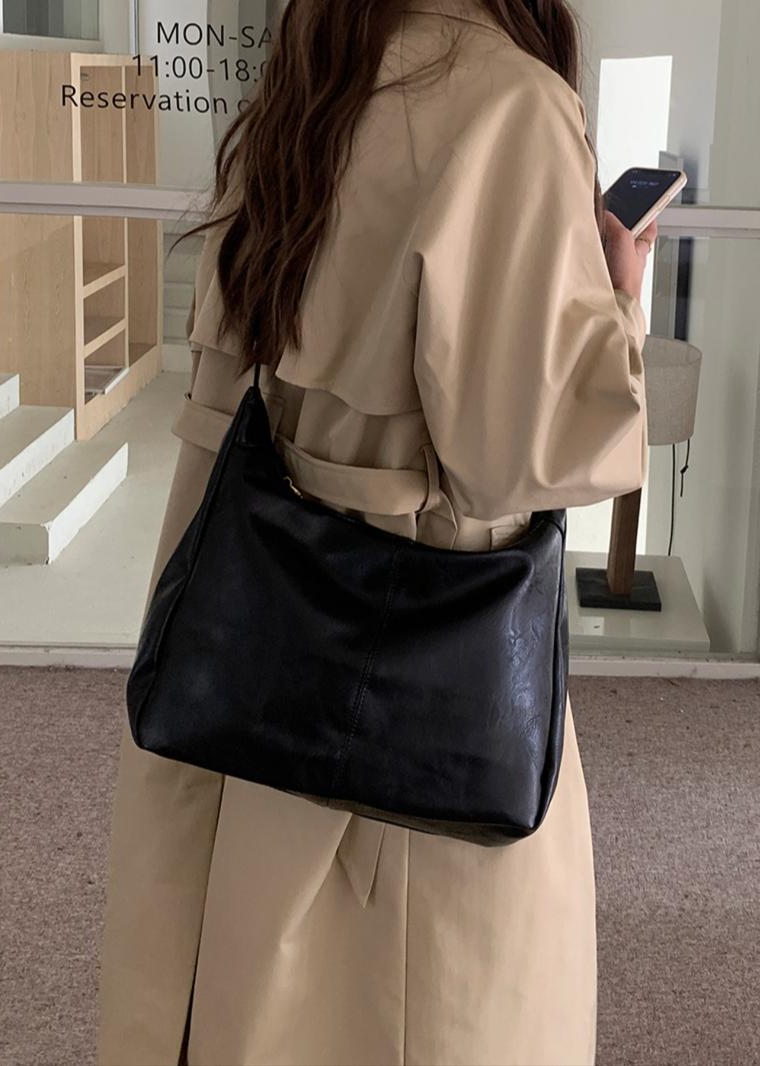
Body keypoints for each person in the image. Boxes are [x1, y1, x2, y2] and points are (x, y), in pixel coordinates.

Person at [97, 1, 656, 1063]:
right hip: (425, 680)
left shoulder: (315, 73)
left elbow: (227, 396)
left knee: (259, 977)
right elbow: (531, 453)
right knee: (425, 998)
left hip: (263, 635)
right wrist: (616, 300)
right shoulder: (509, 103)